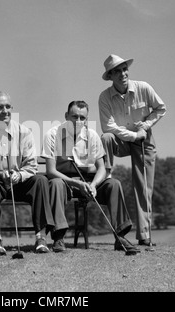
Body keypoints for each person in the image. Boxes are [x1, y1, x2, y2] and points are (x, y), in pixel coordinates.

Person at [42, 100, 139, 253]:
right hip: (63, 180)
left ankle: (120, 237)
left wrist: (93, 185)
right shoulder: (53, 134)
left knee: (113, 184)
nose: (78, 121)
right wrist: (77, 184)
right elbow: (51, 171)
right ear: (66, 116)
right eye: (74, 117)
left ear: (86, 119)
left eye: (82, 118)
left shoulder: (92, 135)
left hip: (88, 181)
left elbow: (101, 168)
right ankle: (58, 237)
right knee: (55, 184)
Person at [0, 91, 55, 255]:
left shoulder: (25, 133)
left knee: (40, 181)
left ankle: (41, 238)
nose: (5, 111)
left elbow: (31, 166)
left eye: (8, 106)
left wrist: (20, 175)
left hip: (19, 184)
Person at [98, 54, 167, 246]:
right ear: (110, 76)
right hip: (121, 140)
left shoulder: (143, 87)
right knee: (106, 138)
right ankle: (107, 175)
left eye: (124, 69)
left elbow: (160, 108)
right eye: (117, 71)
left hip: (144, 139)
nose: (122, 74)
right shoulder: (104, 97)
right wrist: (132, 135)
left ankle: (144, 235)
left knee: (143, 186)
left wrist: (144, 126)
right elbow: (108, 127)